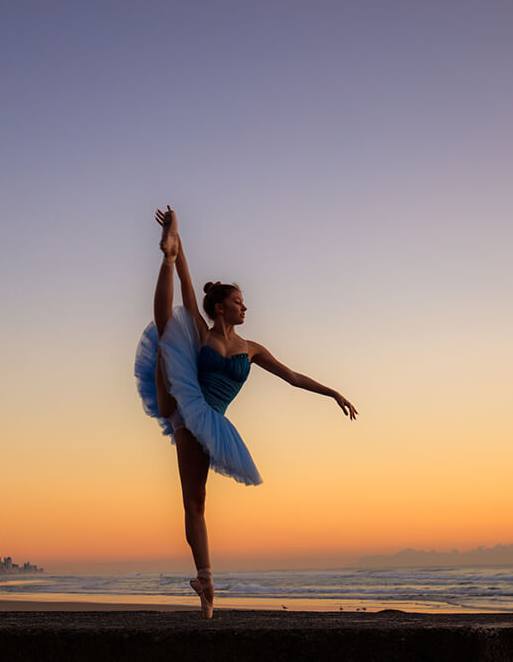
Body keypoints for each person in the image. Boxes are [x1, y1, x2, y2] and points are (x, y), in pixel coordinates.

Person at [134, 205, 357, 619]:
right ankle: (162, 255)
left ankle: (203, 582)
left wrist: (331, 392)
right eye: (239, 302)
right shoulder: (201, 332)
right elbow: (187, 282)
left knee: (196, 502)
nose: (245, 307)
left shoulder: (252, 350)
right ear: (220, 307)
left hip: (214, 418)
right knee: (167, 327)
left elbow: (291, 376)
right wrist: (176, 248)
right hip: (184, 403)